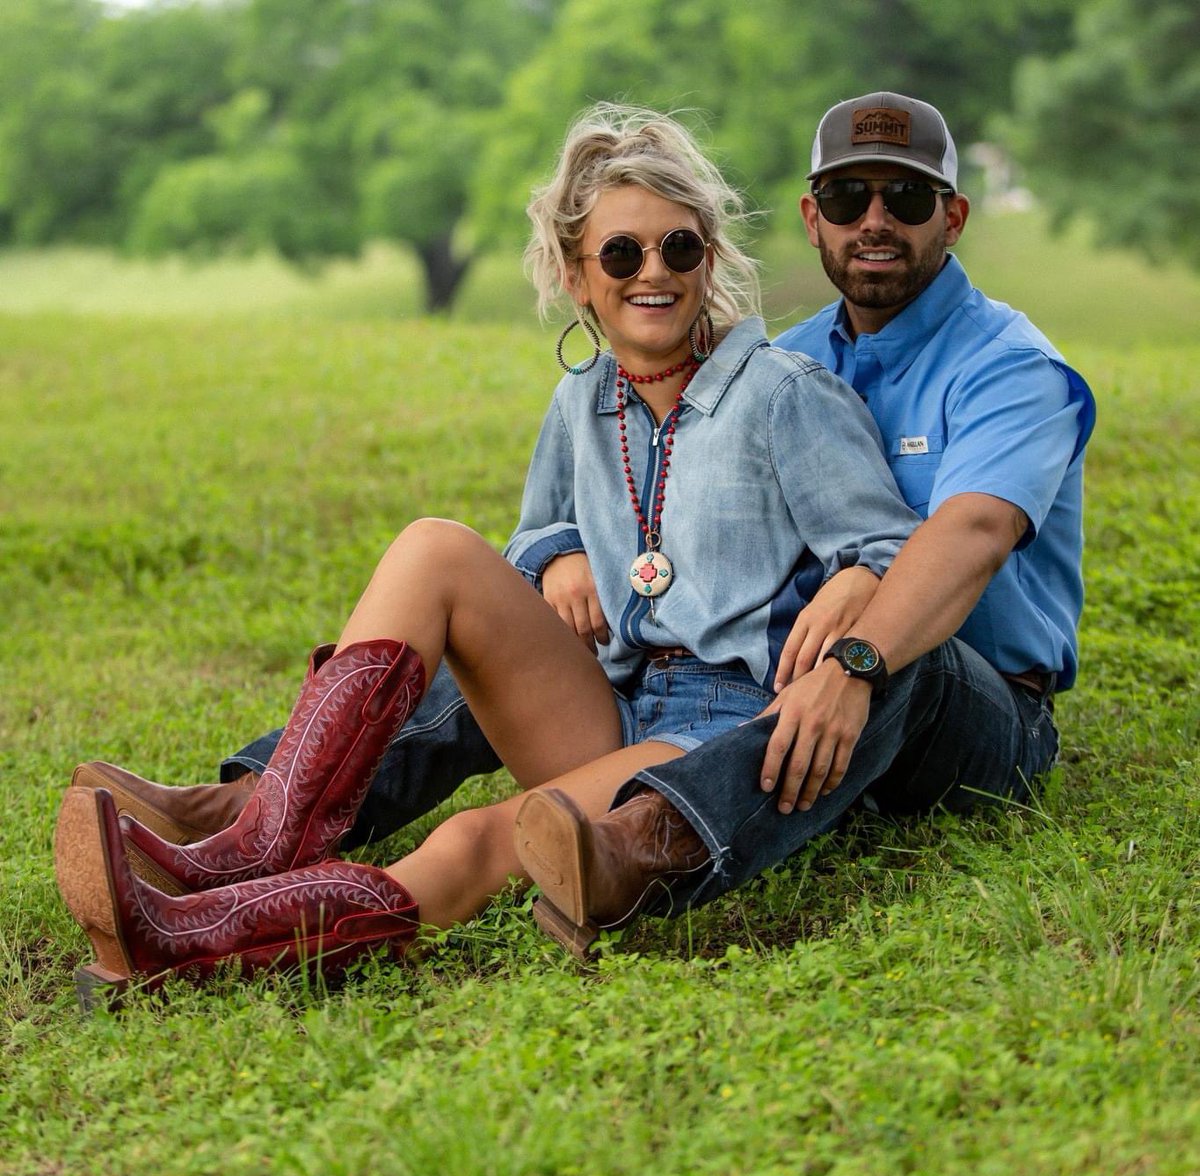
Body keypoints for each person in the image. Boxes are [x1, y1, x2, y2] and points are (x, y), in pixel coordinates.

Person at [55, 103, 919, 1001]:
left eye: (680, 249)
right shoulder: (583, 399)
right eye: (621, 254)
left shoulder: (783, 394)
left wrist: (858, 573)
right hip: (610, 699)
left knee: (470, 840)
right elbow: (533, 533)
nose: (653, 273)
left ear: (711, 259)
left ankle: (187, 951)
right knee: (434, 547)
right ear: (577, 276)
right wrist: (556, 557)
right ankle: (260, 845)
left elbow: (894, 546)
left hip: (723, 725)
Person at [511, 90, 1095, 952]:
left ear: (954, 216)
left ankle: (641, 851)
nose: (874, 220)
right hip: (790, 686)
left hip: (969, 707)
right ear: (812, 218)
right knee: (530, 620)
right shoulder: (790, 364)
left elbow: (970, 535)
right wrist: (561, 550)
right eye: (846, 197)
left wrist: (857, 661)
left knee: (899, 639)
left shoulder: (1010, 369)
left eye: (905, 198)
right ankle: (282, 797)